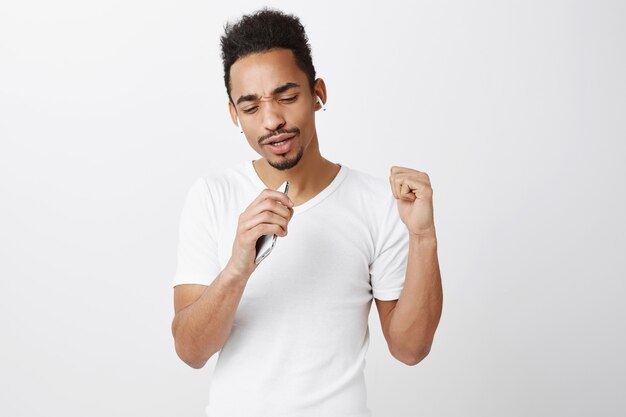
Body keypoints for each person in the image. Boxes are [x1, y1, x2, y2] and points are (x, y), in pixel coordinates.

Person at [171, 7, 442, 417]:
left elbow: (410, 349)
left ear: (318, 94)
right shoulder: (213, 195)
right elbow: (191, 352)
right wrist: (238, 266)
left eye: (287, 96)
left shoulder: (376, 201)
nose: (272, 120)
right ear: (234, 115)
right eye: (251, 107)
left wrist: (423, 237)